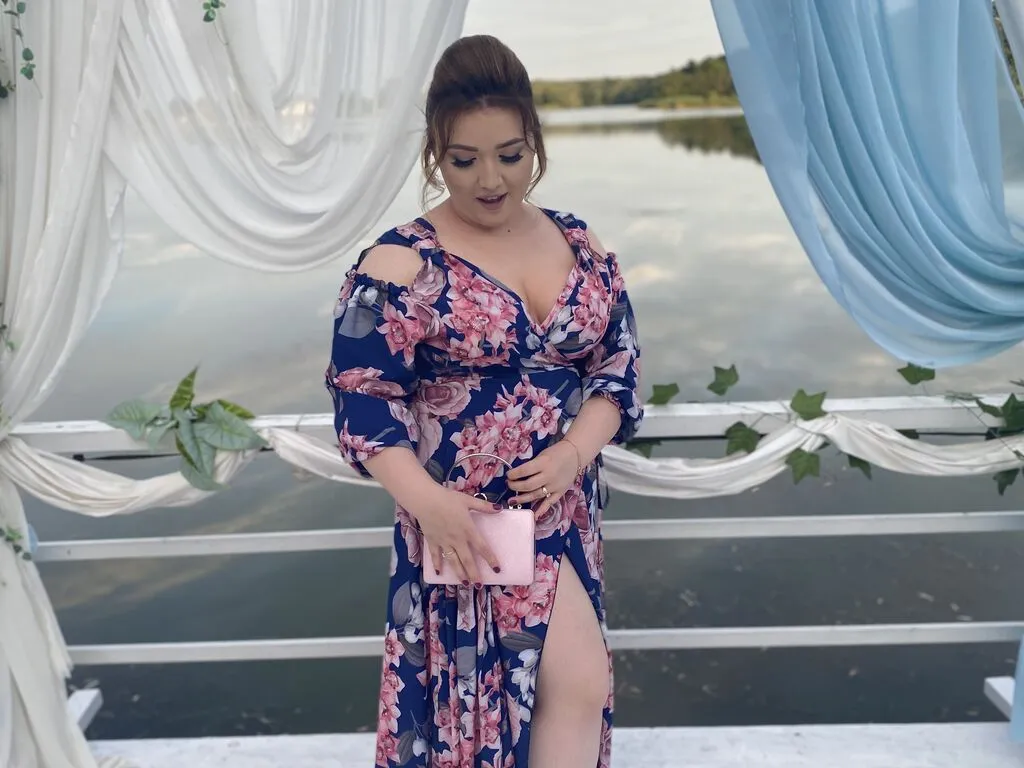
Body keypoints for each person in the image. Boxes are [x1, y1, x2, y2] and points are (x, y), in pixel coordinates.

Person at [325, 34, 642, 768]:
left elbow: (617, 369)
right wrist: (429, 504)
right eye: (464, 160)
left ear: (536, 142)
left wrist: (573, 452)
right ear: (435, 153)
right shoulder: (401, 261)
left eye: (511, 154)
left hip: (564, 502)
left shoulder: (579, 242)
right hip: (464, 517)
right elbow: (362, 400)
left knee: (564, 691)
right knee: (520, 694)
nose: (491, 179)